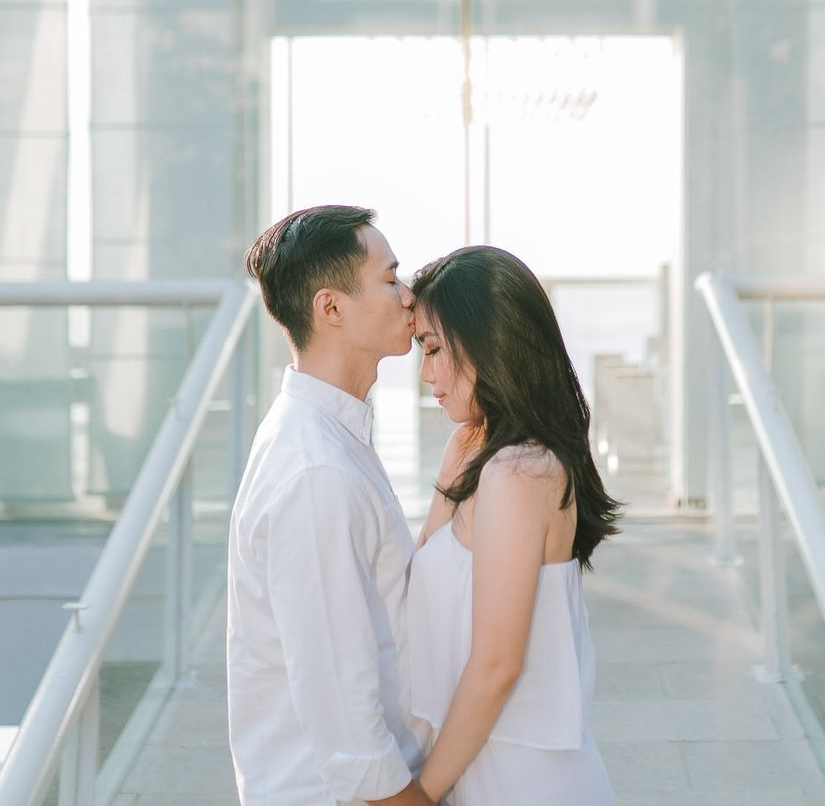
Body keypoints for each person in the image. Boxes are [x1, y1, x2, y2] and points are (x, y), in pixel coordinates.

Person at [229, 204, 433, 806]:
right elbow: (349, 734)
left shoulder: (328, 437)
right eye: (390, 278)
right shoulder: (315, 472)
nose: (407, 296)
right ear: (331, 308)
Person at [405, 245, 622, 805]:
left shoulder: (521, 470)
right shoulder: (466, 447)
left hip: (524, 780)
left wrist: (419, 795)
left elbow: (499, 662)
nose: (425, 373)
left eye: (432, 349)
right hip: (469, 766)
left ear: (484, 342)